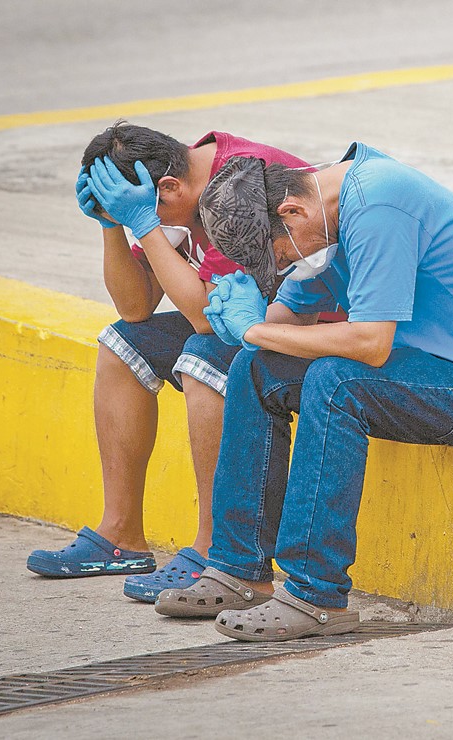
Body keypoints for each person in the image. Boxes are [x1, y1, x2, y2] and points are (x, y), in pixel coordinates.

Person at [152, 146, 453, 641]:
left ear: (291, 214)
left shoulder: (378, 205)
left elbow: (370, 343)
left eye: (279, 258)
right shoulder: (320, 217)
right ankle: (240, 568)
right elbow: (285, 324)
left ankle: (314, 595)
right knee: (255, 368)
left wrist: (255, 331)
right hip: (427, 373)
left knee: (335, 381)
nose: (284, 270)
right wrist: (244, 324)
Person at [26, 123, 308, 604]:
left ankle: (213, 550)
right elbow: (135, 308)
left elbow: (203, 321)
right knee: (123, 343)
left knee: (202, 356)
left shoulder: (236, 188)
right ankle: (121, 536)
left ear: (170, 188)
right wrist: (113, 225)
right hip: (244, 320)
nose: (147, 219)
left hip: (310, 330)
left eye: (147, 208)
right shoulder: (165, 193)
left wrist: (145, 223)